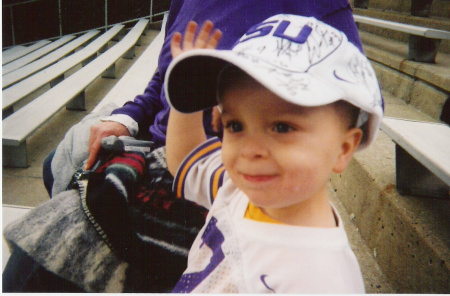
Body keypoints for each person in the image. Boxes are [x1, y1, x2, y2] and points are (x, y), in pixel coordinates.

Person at [44, 0, 366, 197]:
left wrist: (264, 132)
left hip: (215, 167)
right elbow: (165, 74)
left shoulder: (323, 7)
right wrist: (127, 118)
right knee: (57, 161)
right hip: (176, 153)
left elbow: (349, 103)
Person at [164, 14, 383, 292]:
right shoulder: (238, 189)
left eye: (282, 127)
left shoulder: (324, 281)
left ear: (343, 149)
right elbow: (187, 159)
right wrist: (190, 89)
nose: (250, 150)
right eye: (235, 125)